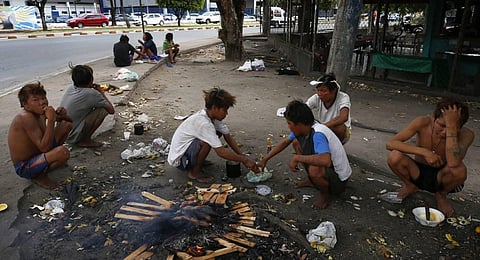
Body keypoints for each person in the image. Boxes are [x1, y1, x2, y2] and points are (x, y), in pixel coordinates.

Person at [386, 97, 474, 217]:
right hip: (417, 171)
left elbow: (453, 163)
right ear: (434, 118)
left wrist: (451, 127)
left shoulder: (467, 135)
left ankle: (441, 195)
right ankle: (410, 186)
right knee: (395, 156)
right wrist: (425, 152)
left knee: (460, 170)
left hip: (443, 176)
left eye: (451, 128)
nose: (444, 132)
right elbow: (391, 144)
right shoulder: (423, 122)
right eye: (441, 125)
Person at [258, 100, 352, 209]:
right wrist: (265, 159)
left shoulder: (318, 134)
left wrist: (297, 158)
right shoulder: (306, 128)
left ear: (299, 124)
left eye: (289, 123)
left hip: (339, 181)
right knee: (296, 143)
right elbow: (284, 143)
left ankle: (325, 194)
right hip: (329, 169)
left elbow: (325, 160)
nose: (288, 126)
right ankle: (313, 181)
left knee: (314, 169)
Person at [168, 87, 259, 183]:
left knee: (215, 134)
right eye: (225, 110)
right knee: (207, 141)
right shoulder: (204, 123)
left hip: (188, 149)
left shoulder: (213, 117)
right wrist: (244, 160)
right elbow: (220, 152)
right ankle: (194, 173)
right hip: (180, 160)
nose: (226, 114)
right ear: (215, 108)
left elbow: (228, 136)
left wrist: (242, 156)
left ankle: (198, 161)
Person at [8, 82, 72, 189]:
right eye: (35, 100)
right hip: (25, 165)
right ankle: (39, 176)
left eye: (43, 98)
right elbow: (44, 147)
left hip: (39, 153)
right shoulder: (25, 117)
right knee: (63, 152)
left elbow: (69, 122)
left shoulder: (40, 112)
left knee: (66, 126)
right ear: (25, 105)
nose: (42, 102)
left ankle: (50, 161)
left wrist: (63, 115)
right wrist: (51, 120)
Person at [60, 64, 115, 148]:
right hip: (72, 136)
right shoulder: (92, 93)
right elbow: (111, 110)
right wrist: (101, 92)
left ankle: (82, 136)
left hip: (62, 134)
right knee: (103, 109)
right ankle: (85, 140)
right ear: (91, 80)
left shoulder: (70, 88)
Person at [306, 73, 351, 144]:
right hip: (322, 128)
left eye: (323, 91)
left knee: (339, 128)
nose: (320, 94)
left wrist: (323, 127)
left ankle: (335, 148)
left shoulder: (343, 97)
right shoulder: (316, 97)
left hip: (339, 132)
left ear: (334, 90)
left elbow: (344, 117)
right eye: (318, 90)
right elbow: (304, 109)